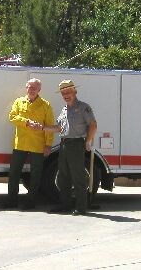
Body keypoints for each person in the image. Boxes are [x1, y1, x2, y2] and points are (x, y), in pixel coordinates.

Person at [44, 79, 97, 216]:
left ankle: (81, 208)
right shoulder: (64, 109)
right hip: (64, 144)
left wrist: (87, 141)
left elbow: (93, 125)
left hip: (76, 144)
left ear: (75, 91)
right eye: (63, 93)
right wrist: (42, 128)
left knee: (78, 177)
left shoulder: (84, 107)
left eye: (68, 91)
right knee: (63, 177)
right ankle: (65, 205)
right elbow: (59, 128)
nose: (66, 94)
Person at [1, 78, 54, 210]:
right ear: (26, 88)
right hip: (21, 143)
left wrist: (48, 144)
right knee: (14, 173)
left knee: (36, 174)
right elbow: (12, 117)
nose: (31, 90)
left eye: (34, 88)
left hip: (38, 144)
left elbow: (50, 126)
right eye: (29, 87)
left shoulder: (45, 105)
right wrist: (27, 122)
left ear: (39, 90)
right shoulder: (19, 102)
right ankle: (11, 200)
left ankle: (31, 201)